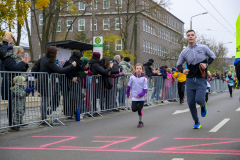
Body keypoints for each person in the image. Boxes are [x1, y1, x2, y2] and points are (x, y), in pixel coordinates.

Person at [176, 29, 216, 129]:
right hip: (189, 80)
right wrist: (182, 71)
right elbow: (178, 64)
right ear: (186, 38)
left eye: (192, 35)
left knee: (199, 100)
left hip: (201, 79)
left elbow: (212, 56)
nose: (190, 36)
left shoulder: (203, 47)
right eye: (188, 35)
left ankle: (203, 105)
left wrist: (206, 64)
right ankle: (196, 121)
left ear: (195, 37)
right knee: (190, 102)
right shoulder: (184, 51)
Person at [37, 46, 77, 120]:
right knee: (46, 100)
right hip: (46, 82)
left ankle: (44, 116)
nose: (56, 55)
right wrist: (71, 66)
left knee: (45, 100)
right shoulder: (48, 62)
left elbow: (36, 66)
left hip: (42, 80)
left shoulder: (43, 57)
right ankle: (43, 117)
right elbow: (60, 70)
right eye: (56, 53)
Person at [1, 44, 30, 128]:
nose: (22, 55)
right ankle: (11, 123)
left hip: (15, 83)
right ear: (16, 52)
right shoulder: (8, 58)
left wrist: (25, 64)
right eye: (21, 53)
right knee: (11, 104)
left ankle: (18, 120)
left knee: (18, 104)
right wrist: (22, 62)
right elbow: (15, 68)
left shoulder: (16, 59)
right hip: (9, 83)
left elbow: (21, 68)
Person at [62, 51, 85, 118]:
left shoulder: (78, 62)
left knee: (75, 98)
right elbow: (66, 71)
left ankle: (74, 112)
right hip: (70, 82)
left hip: (75, 82)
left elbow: (82, 68)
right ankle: (71, 113)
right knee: (71, 98)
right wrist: (72, 78)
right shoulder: (70, 62)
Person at [126, 63, 148, 128]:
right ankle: (136, 108)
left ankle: (140, 121)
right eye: (137, 68)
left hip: (141, 97)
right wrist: (127, 94)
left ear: (142, 70)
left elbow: (145, 89)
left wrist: (140, 95)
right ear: (135, 70)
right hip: (134, 97)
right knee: (134, 109)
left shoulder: (144, 79)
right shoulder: (132, 77)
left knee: (139, 109)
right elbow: (128, 86)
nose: (138, 70)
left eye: (140, 69)